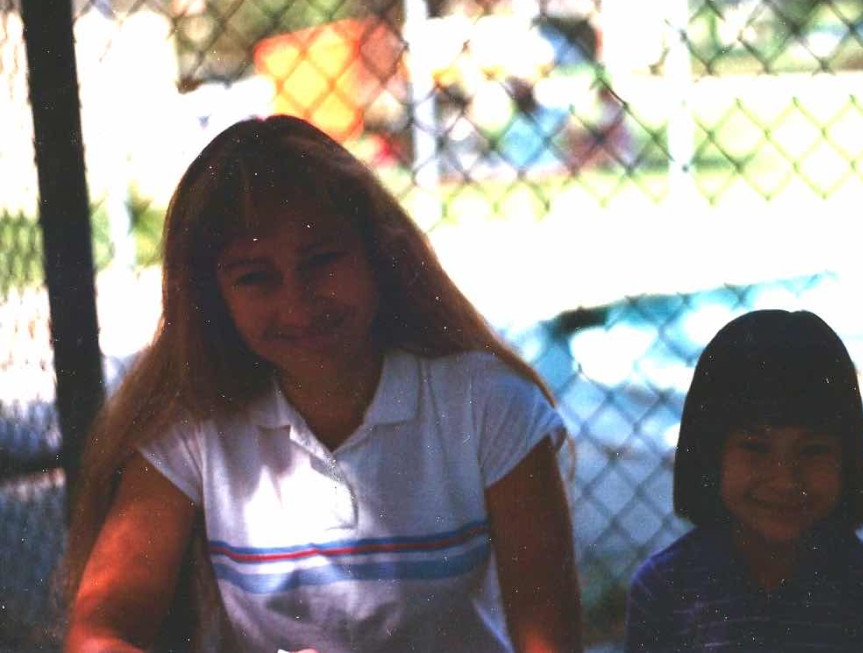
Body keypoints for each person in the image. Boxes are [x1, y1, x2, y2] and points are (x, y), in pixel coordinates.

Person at [61, 115, 583, 653]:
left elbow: (551, 641)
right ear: (212, 298)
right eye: (255, 277)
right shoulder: (191, 424)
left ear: (379, 254)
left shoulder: (488, 403)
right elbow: (97, 634)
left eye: (321, 260)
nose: (297, 302)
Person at [624, 310, 863, 652]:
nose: (785, 479)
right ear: (710, 454)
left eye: (812, 450)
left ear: (847, 459)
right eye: (756, 448)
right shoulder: (665, 590)